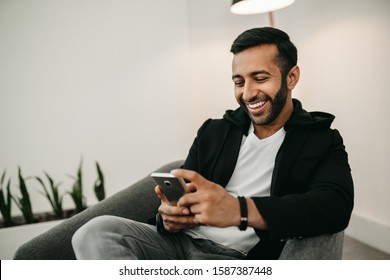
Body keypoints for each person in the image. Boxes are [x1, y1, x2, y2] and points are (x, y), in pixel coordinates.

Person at [71, 27, 354, 260]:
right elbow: (184, 197)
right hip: (179, 245)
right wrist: (168, 218)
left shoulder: (321, 138)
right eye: (239, 81)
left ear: (291, 77)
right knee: (96, 231)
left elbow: (335, 206)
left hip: (235, 258)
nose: (247, 93)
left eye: (260, 78)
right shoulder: (215, 131)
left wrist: (239, 211)